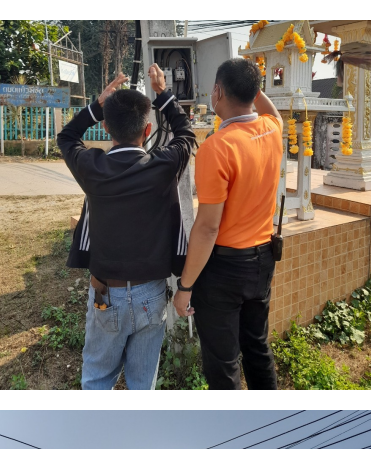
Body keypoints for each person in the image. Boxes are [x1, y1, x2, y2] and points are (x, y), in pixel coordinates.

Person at [59, 65, 197, 390]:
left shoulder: (92, 167)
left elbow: (66, 136)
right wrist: (162, 92)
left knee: (96, 381)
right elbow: (187, 134)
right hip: (152, 294)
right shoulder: (164, 166)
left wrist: (98, 104)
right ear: (147, 129)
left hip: (107, 292)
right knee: (141, 386)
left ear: (106, 127)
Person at [172, 58, 283, 389]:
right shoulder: (271, 130)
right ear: (253, 92)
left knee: (222, 364)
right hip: (263, 261)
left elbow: (207, 228)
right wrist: (251, 84)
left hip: (225, 270)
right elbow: (273, 113)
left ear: (217, 92)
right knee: (257, 349)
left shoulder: (216, 148)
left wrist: (185, 287)